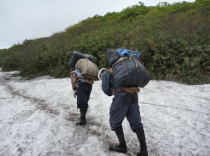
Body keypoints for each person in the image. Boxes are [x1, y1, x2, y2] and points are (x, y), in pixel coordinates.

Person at [99, 68, 148, 156]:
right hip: (133, 95)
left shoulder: (105, 73)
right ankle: (144, 150)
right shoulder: (120, 71)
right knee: (136, 122)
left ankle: (122, 146)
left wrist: (111, 90)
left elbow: (106, 90)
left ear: (101, 74)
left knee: (115, 120)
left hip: (121, 96)